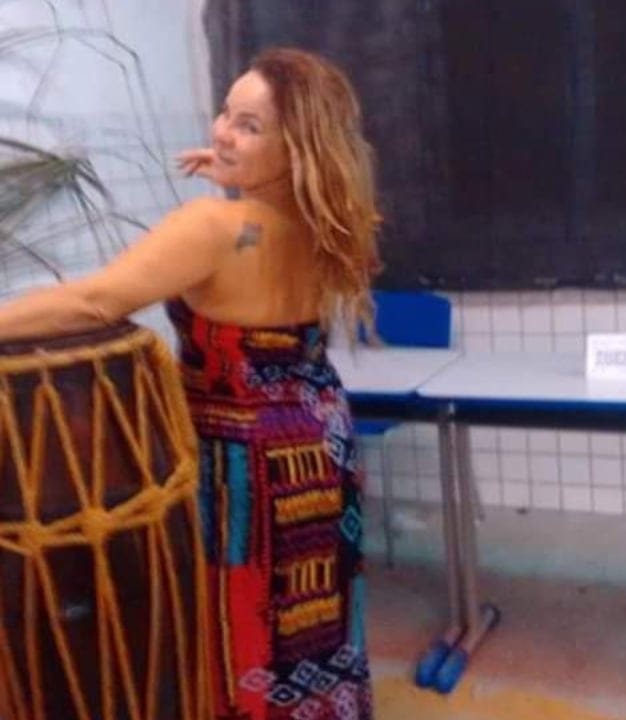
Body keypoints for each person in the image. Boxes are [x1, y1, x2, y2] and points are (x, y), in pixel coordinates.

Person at [0, 47, 380, 720]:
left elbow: (94, 300)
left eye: (249, 127)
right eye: (225, 114)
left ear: (297, 151)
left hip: (244, 465)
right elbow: (263, 232)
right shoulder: (328, 222)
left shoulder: (213, 227)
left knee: (242, 622)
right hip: (323, 445)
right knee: (318, 612)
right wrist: (252, 178)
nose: (221, 133)